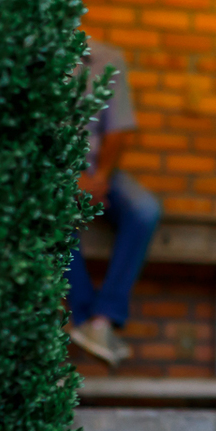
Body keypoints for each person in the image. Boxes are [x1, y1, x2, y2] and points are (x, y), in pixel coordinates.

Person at [65, 41, 162, 366]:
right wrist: (69, 178)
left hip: (99, 170)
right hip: (51, 172)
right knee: (48, 214)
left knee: (145, 210)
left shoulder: (107, 59)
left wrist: (100, 177)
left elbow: (118, 130)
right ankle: (82, 314)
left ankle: (102, 319)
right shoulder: (29, 53)